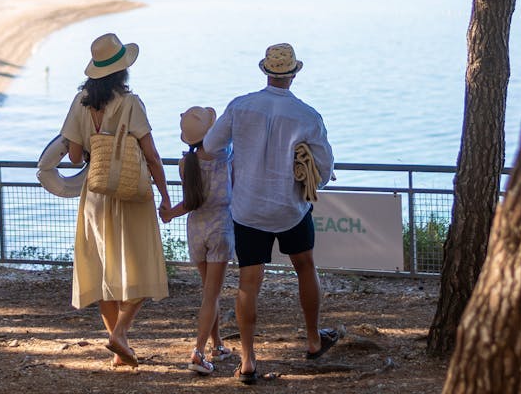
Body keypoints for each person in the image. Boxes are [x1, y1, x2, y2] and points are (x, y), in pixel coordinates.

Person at [203, 43, 336, 384]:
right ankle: (312, 339)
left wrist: (241, 154)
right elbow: (324, 164)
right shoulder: (308, 115)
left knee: (249, 282)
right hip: (290, 206)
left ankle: (248, 361)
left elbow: (211, 146)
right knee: (305, 266)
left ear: (265, 71)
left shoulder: (240, 106)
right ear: (293, 74)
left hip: (247, 208)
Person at [60, 32, 171, 369]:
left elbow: (76, 157)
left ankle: (120, 350)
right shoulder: (131, 103)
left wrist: (99, 147)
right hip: (131, 193)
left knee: (104, 269)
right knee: (144, 263)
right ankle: (120, 334)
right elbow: (151, 155)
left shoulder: (80, 102)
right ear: (122, 71)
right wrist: (166, 196)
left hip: (96, 194)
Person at [158, 107, 234, 376]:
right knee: (211, 295)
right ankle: (198, 352)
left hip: (196, 232)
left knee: (208, 293)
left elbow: (190, 202)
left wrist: (168, 214)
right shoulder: (227, 157)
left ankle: (218, 345)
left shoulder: (185, 164)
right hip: (221, 230)